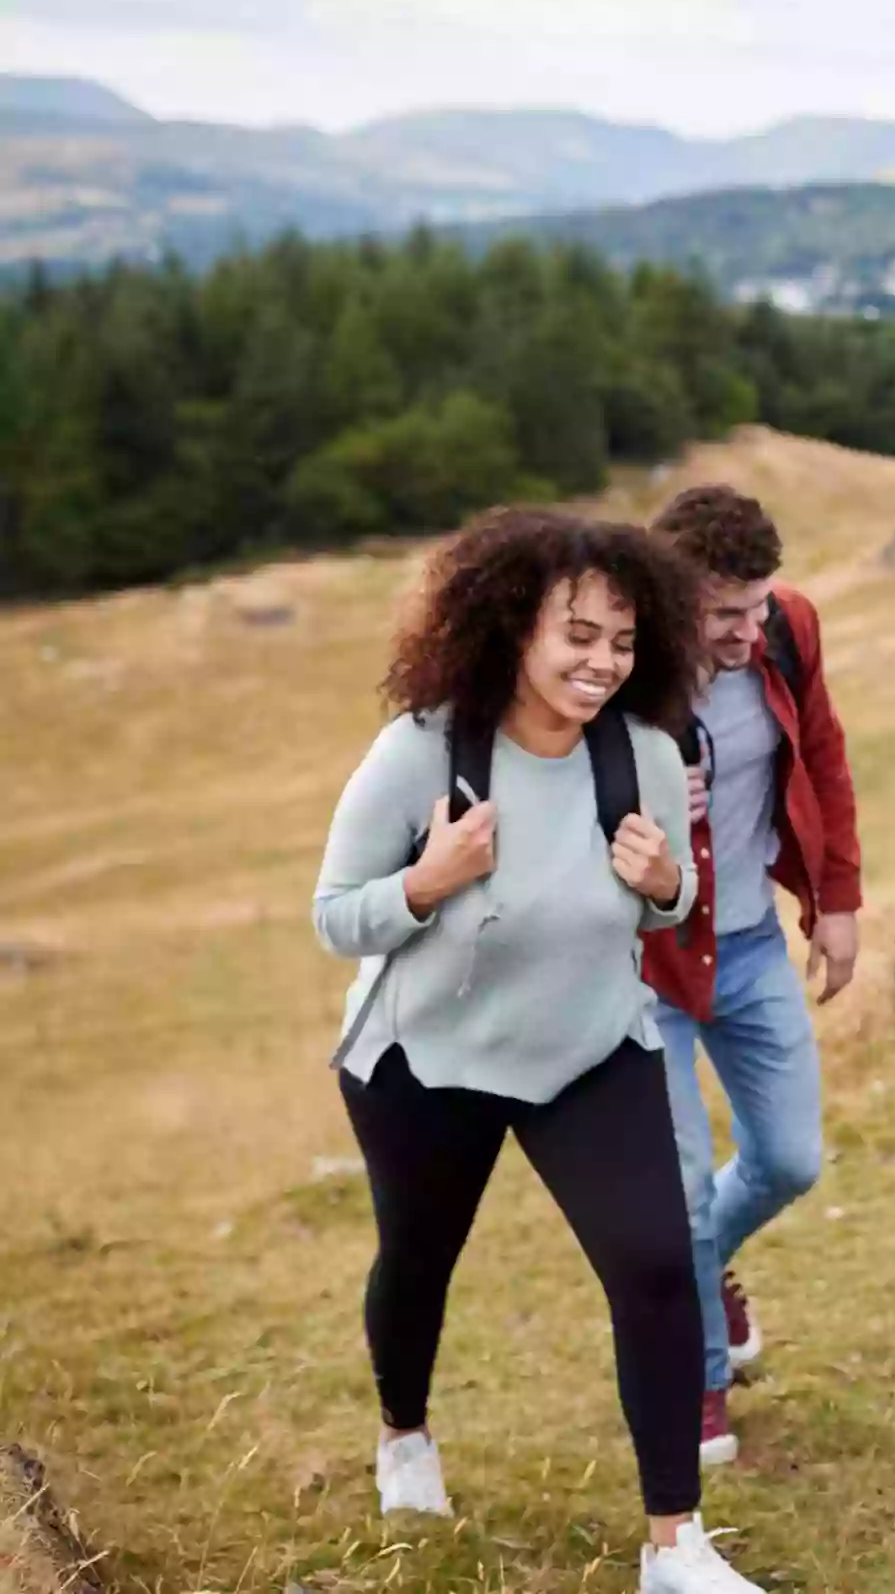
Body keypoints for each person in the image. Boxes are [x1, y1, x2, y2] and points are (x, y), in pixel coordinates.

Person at [314, 508, 770, 1592]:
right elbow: (335, 915)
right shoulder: (421, 749)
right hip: (427, 1061)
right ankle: (405, 1431)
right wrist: (426, 882)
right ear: (514, 624)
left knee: (660, 1268)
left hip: (589, 1051)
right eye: (578, 635)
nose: (601, 662)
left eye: (621, 640)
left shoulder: (646, 753)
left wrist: (670, 884)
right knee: (417, 1263)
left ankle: (674, 1547)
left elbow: (667, 906)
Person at [642, 485, 862, 1469]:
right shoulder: (620, 671)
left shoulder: (787, 631)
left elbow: (821, 748)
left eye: (758, 604)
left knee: (788, 1158)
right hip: (639, 967)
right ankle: (694, 1382)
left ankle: (708, 1263)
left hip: (750, 944)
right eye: (724, 613)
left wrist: (838, 898)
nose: (748, 629)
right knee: (679, 1193)